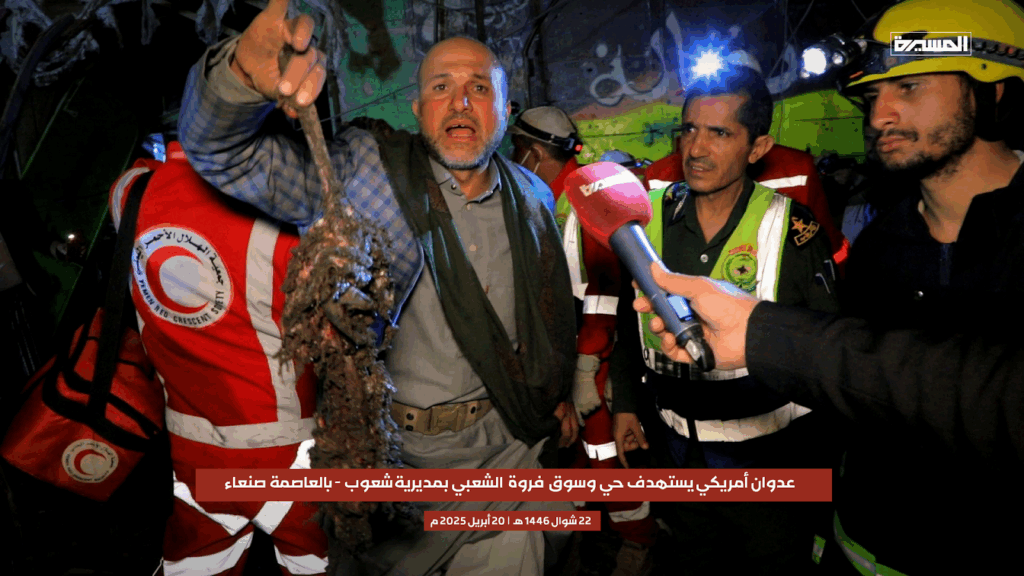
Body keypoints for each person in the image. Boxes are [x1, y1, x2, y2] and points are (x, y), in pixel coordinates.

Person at [176, 0, 579, 573]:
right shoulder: (364, 173)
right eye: (440, 87)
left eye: (478, 88)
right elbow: (224, 154)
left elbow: (548, 312)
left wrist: (554, 391)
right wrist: (239, 77)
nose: (460, 103)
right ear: (418, 108)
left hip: (503, 454)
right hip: (393, 465)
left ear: (505, 109)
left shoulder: (532, 195)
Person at [640, 1, 1024, 573]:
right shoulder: (877, 251)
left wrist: (766, 338)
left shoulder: (799, 230)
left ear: (994, 93)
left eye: (909, 88)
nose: (879, 116)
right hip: (865, 544)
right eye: (872, 98)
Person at [609, 63, 841, 574]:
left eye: (719, 133)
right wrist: (625, 403)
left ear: (757, 147)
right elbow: (630, 322)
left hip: (769, 465)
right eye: (689, 129)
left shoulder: (791, 230)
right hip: (678, 455)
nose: (695, 149)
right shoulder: (647, 219)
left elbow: (830, 355)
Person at [107, 142, 327, 575]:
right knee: (320, 563)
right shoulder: (289, 206)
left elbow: (145, 169)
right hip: (289, 445)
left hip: (192, 445)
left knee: (197, 566)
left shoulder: (130, 192)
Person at [512, 110, 659, 576]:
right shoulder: (549, 197)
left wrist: (586, 365)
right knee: (570, 451)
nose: (513, 159)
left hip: (593, 355)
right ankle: (577, 536)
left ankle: (638, 541)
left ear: (534, 153)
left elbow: (604, 291)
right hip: (565, 354)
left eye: (516, 150)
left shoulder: (584, 199)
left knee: (603, 453)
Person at [646, 140, 850, 272]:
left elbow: (826, 253)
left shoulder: (798, 168)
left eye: (721, 132)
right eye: (692, 128)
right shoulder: (659, 176)